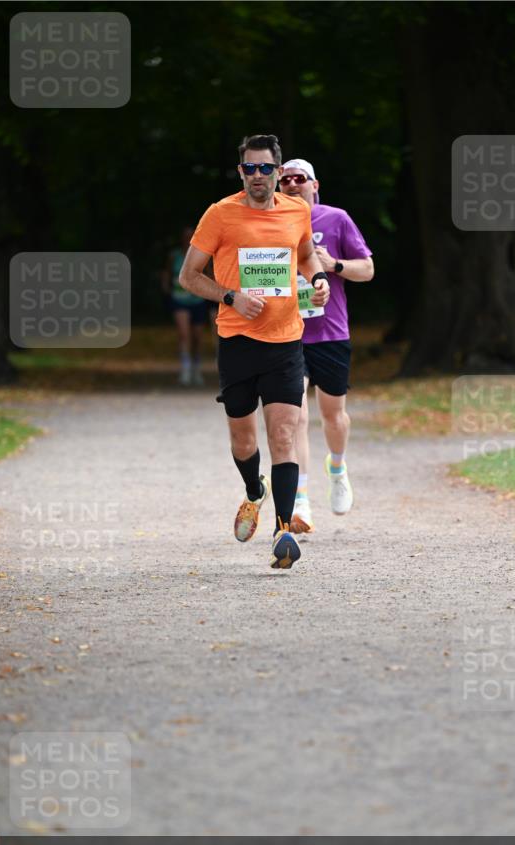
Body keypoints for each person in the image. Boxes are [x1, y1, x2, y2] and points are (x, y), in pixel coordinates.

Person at [178, 135, 330, 569]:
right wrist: (231, 297)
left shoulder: (297, 210)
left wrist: (317, 280)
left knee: (284, 434)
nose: (258, 176)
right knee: (243, 438)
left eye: (266, 168)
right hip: (238, 341)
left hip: (285, 340)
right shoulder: (221, 214)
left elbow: (304, 255)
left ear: (279, 171)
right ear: (240, 171)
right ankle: (253, 491)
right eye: (250, 169)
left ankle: (283, 531)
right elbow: (189, 277)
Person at [278, 158, 374, 534]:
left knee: (333, 416)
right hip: (288, 333)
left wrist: (333, 265)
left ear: (315, 185)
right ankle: (301, 500)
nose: (292, 184)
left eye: (299, 179)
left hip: (331, 333)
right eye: (285, 180)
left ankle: (337, 466)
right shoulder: (271, 222)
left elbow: (367, 269)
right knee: (295, 415)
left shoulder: (336, 219)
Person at [162, 226, 209, 385]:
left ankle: (196, 366)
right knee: (184, 334)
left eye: (191, 237)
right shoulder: (174, 256)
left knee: (197, 337)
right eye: (185, 237)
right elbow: (167, 273)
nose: (188, 240)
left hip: (197, 299)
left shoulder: (202, 253)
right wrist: (167, 288)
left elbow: (209, 274)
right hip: (179, 299)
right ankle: (185, 368)